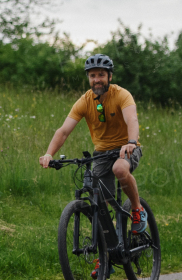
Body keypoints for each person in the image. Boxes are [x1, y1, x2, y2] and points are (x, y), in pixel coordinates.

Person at [39, 53, 147, 233]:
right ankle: (106, 254)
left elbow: (132, 120)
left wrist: (131, 142)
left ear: (109, 77)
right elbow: (64, 131)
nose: (97, 79)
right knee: (99, 203)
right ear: (88, 78)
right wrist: (49, 154)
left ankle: (137, 209)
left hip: (126, 148)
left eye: (101, 75)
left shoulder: (122, 95)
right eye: (92, 76)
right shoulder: (85, 101)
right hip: (102, 154)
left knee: (120, 169)